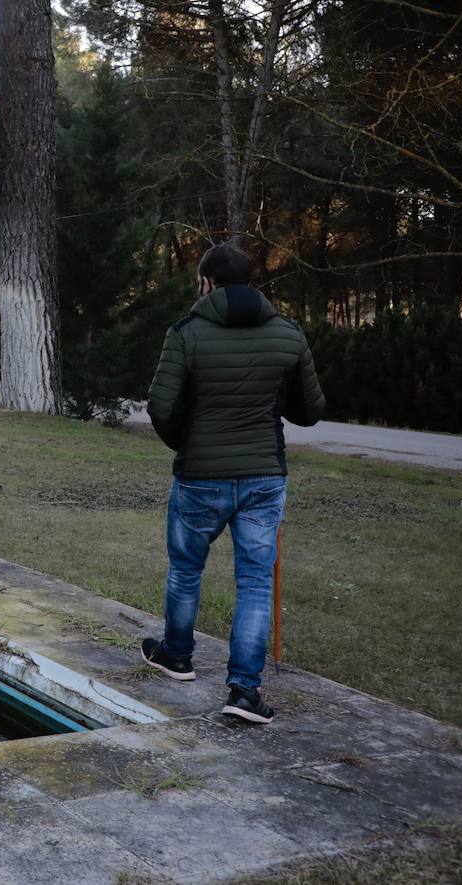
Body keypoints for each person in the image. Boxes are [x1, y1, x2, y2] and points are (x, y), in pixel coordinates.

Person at [142, 243, 325, 725]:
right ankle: (244, 690)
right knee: (255, 582)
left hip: (199, 478)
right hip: (265, 477)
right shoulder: (287, 333)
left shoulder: (185, 333)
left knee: (185, 570)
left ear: (207, 283)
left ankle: (177, 657)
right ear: (252, 282)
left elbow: (160, 406)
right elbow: (310, 411)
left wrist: (188, 441)